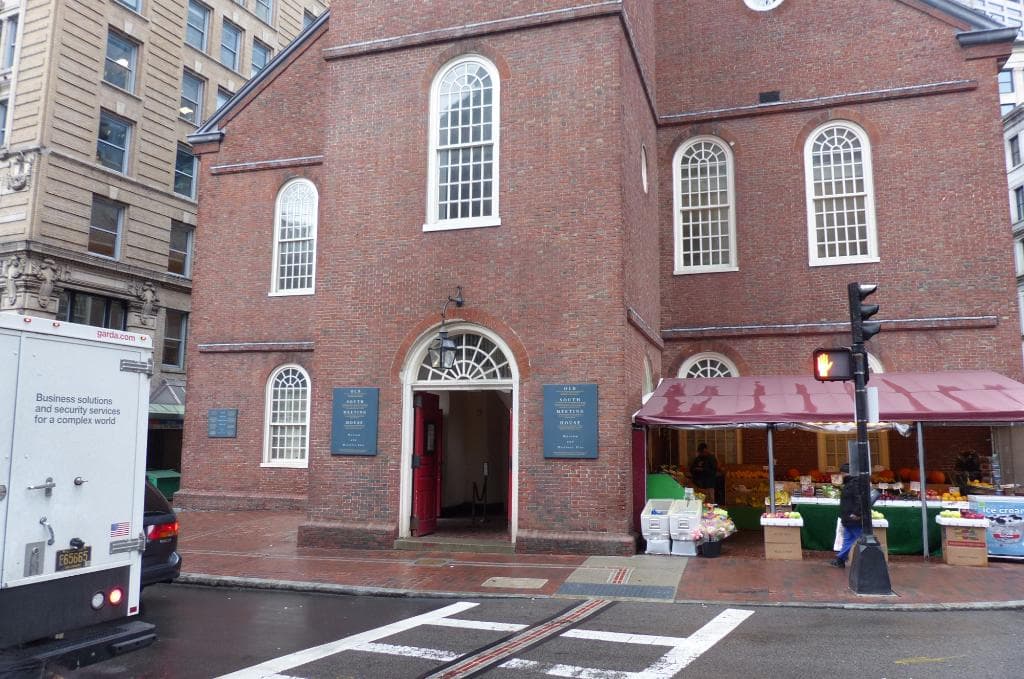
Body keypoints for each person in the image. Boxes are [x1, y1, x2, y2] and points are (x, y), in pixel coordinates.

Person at [830, 464, 862, 569]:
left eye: (842, 473)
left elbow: (858, 499)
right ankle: (840, 559)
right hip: (848, 516)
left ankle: (870, 558)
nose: (841, 476)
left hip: (852, 516)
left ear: (845, 473)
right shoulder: (850, 483)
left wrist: (856, 513)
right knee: (848, 538)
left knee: (860, 537)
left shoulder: (854, 484)